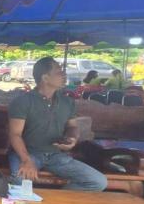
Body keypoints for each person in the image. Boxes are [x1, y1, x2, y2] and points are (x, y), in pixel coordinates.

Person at [8, 57, 107, 191]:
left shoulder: (67, 102)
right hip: (28, 153)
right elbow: (15, 134)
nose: (64, 74)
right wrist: (26, 160)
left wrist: (72, 138)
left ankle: (54, 201)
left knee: (98, 182)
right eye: (59, 71)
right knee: (18, 182)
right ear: (45, 78)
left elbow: (72, 126)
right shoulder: (23, 101)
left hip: (56, 155)